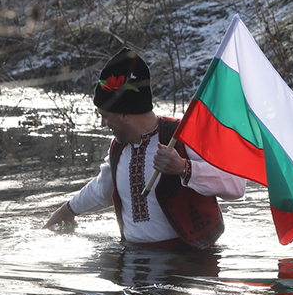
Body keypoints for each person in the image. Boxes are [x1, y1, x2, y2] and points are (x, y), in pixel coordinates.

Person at [44, 48, 246, 249]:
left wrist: (184, 168)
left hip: (190, 266)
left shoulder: (183, 136)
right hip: (134, 263)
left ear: (125, 113)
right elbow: (101, 190)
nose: (103, 124)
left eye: (105, 116)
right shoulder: (118, 149)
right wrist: (67, 211)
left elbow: (236, 186)